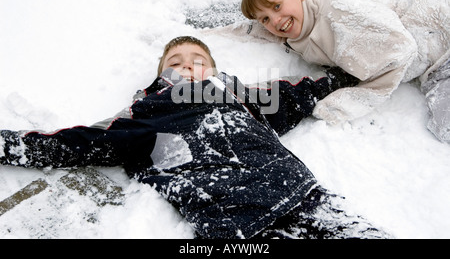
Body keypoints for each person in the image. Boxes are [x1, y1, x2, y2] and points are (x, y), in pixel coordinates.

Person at [0, 36, 388, 239]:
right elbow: (75, 141)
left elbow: (302, 90)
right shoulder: (146, 112)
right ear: (161, 76)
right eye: (176, 63)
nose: (188, 65)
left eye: (198, 61)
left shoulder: (242, 95)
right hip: (232, 222)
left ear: (215, 70)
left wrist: (363, 69)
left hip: (300, 194)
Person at [216, 0, 450, 143]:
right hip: (431, 52)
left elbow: (402, 51)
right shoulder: (296, 23)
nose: (275, 21)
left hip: (437, 32)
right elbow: (258, 29)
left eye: (277, 7)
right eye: (265, 18)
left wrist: (349, 101)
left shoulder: (338, 17)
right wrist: (211, 34)